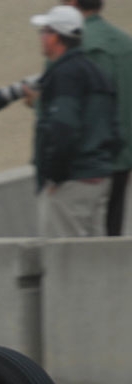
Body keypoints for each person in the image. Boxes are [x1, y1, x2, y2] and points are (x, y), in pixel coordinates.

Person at [26, 5, 121, 237]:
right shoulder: (97, 73)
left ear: (55, 37)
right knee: (93, 258)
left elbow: (63, 128)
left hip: (72, 183)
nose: (41, 37)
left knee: (64, 261)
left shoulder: (65, 74)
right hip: (99, 179)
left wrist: (55, 176)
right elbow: (117, 130)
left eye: (44, 32)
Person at [62, 0, 132, 235]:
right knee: (112, 234)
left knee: (83, 242)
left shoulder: (73, 46)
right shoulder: (125, 43)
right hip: (122, 158)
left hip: (88, 163)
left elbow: (69, 109)